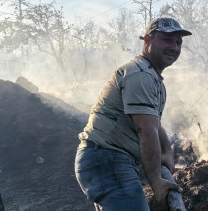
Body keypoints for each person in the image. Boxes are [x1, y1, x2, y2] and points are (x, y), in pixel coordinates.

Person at [75, 17, 191, 210]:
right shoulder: (140, 75)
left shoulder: (151, 77)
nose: (174, 47)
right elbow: (146, 130)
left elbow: (154, 124)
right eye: (167, 40)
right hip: (109, 159)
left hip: (108, 161)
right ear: (147, 40)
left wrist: (167, 151)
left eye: (178, 42)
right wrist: (156, 181)